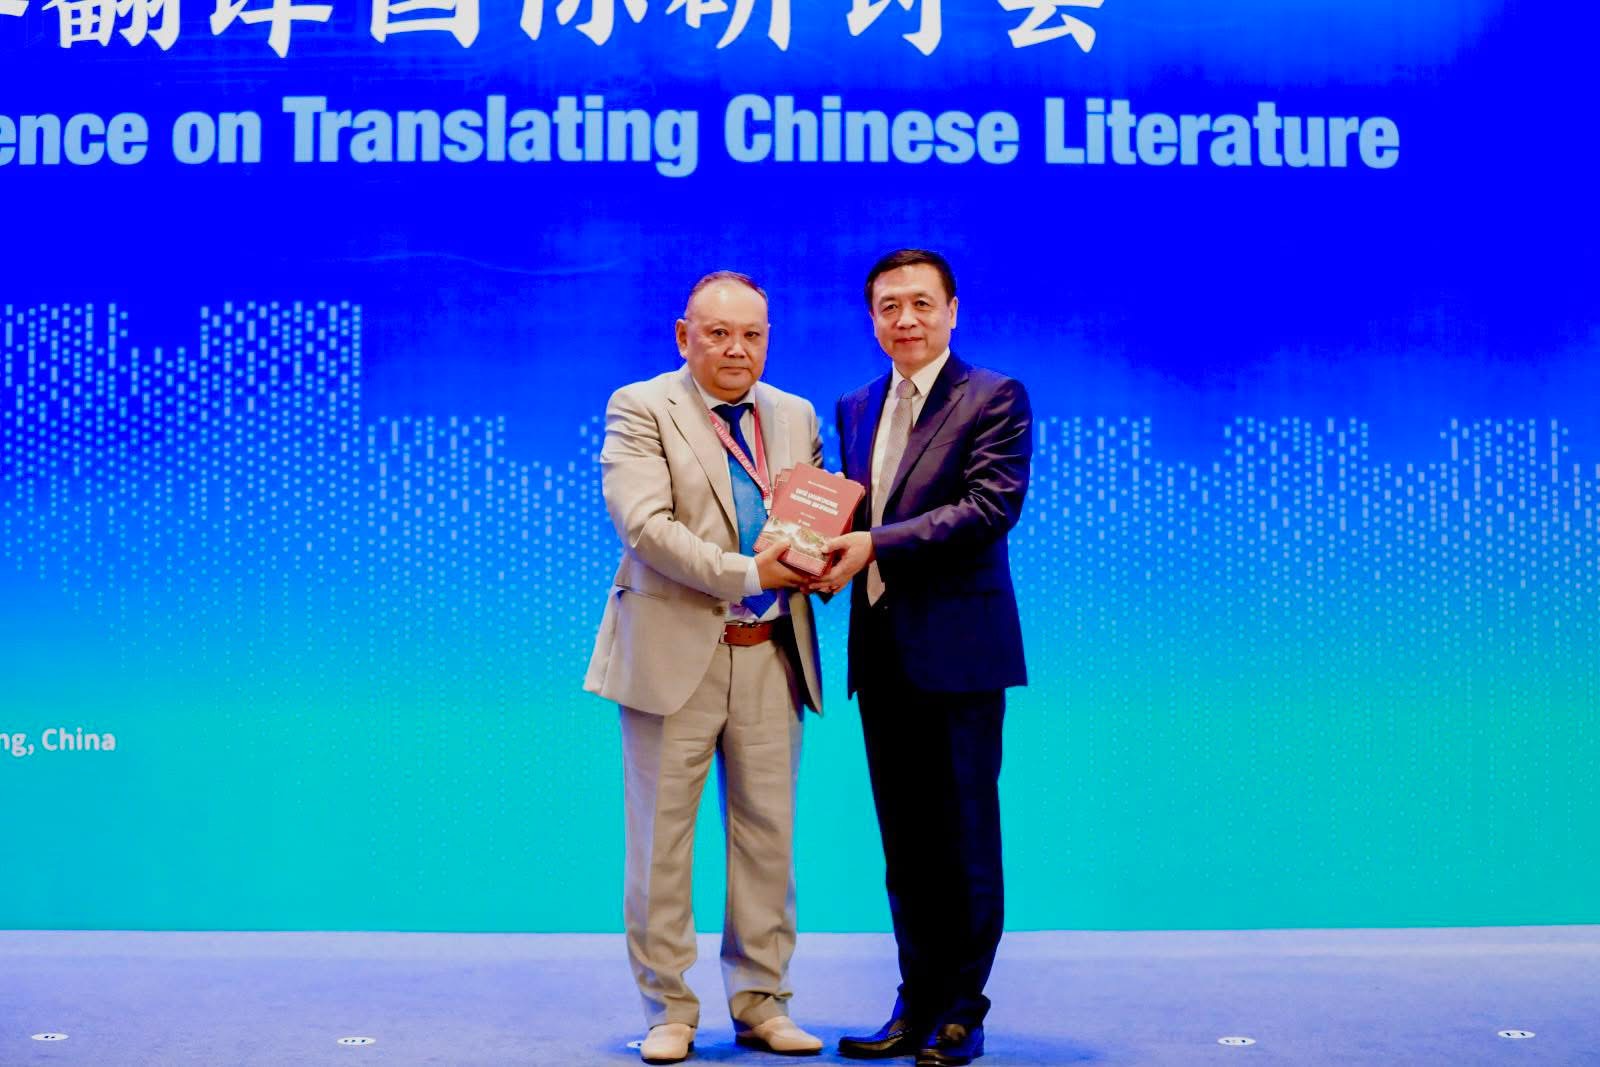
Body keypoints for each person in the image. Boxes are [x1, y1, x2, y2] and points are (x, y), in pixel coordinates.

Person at [584, 271, 826, 1064]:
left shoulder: (795, 414)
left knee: (768, 841)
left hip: (770, 655)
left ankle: (763, 1001)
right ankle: (668, 1008)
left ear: (768, 339)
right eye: (717, 333)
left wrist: (824, 561)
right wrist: (750, 572)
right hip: (672, 656)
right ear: (683, 335)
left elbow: (811, 520)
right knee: (662, 844)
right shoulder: (640, 406)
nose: (735, 349)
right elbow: (645, 527)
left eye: (751, 334)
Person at [819, 249, 1032, 1067]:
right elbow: (852, 513)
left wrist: (871, 543)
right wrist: (814, 552)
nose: (904, 319)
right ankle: (915, 1000)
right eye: (888, 306)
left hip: (962, 653)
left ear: (952, 310)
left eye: (920, 303)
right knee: (905, 845)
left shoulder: (995, 396)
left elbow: (987, 508)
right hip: (881, 654)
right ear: (872, 318)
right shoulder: (855, 404)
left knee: (966, 838)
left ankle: (962, 1011)